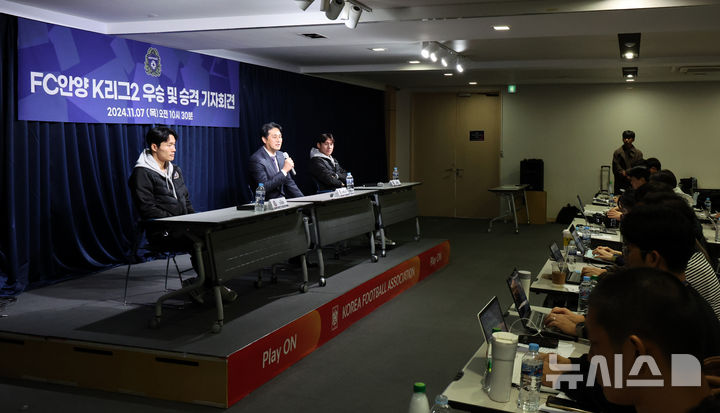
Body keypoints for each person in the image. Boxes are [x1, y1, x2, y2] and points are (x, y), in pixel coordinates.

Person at [129, 126, 236, 304]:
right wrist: (178, 222)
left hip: (182, 226)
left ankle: (203, 285)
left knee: (212, 233)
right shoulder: (141, 173)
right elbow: (147, 209)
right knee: (202, 240)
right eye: (169, 145)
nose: (174, 149)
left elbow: (185, 201)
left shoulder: (175, 170)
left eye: (174, 145)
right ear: (155, 147)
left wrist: (196, 221)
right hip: (162, 232)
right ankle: (208, 286)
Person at [249, 122, 303, 200]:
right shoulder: (256, 160)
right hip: (264, 205)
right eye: (274, 137)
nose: (278, 140)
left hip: (281, 202)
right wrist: (284, 171)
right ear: (264, 139)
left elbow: (289, 183)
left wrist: (304, 200)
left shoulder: (281, 155)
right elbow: (263, 188)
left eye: (280, 137)